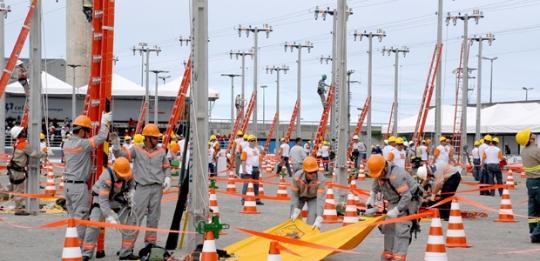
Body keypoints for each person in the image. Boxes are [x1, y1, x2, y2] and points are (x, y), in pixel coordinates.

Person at [112, 124, 171, 259]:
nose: (158, 140)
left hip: (157, 189)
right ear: (148, 138)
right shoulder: (136, 150)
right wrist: (116, 145)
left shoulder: (161, 151)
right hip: (142, 188)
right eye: (155, 138)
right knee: (135, 218)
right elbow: (121, 156)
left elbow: (166, 167)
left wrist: (167, 177)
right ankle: (126, 250)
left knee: (153, 218)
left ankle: (150, 245)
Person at [364, 154, 422, 261]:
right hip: (394, 200)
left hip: (409, 200)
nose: (378, 176)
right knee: (388, 226)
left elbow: (406, 196)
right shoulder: (380, 173)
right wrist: (372, 196)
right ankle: (388, 252)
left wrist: (397, 210)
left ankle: (399, 255)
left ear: (385, 167)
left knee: (401, 227)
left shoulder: (396, 176)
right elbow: (376, 182)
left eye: (379, 173)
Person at [63, 113, 111, 240]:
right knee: (81, 217)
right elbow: (101, 137)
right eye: (87, 131)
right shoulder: (82, 144)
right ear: (82, 131)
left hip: (67, 186)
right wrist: (105, 122)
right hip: (78, 187)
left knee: (72, 217)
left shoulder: (66, 144)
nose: (89, 133)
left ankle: (70, 245)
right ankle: (76, 247)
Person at [82, 157, 138, 260]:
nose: (124, 177)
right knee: (94, 225)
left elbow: (131, 185)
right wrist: (110, 217)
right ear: (116, 171)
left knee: (130, 223)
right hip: (100, 199)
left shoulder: (128, 173)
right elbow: (103, 201)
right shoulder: (106, 177)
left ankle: (126, 252)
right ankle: (86, 253)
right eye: (122, 175)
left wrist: (131, 193)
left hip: (117, 199)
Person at [6, 126, 41, 215]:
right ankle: (18, 209)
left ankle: (18, 205)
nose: (25, 132)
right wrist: (45, 153)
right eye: (23, 131)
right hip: (18, 170)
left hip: (14, 169)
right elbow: (35, 154)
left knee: (15, 189)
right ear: (20, 134)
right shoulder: (23, 144)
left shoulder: (18, 143)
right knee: (19, 190)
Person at [516, 128, 540, 243]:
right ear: (530, 139)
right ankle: (537, 233)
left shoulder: (524, 151)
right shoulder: (536, 150)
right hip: (538, 181)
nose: (533, 135)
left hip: (530, 182)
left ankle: (533, 231)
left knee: (533, 209)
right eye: (531, 134)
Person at [289, 156, 326, 229]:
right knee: (293, 218)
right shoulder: (297, 177)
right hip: (300, 197)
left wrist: (319, 216)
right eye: (310, 172)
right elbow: (294, 196)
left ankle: (310, 237)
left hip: (313, 197)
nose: (313, 174)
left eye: (315, 171)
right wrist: (295, 209)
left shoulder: (321, 179)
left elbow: (320, 199)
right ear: (305, 171)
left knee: (313, 217)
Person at [240, 135, 263, 205]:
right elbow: (243, 160)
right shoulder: (245, 150)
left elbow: (259, 159)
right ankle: (243, 199)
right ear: (249, 141)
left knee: (256, 185)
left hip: (256, 169)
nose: (254, 142)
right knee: (246, 185)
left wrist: (260, 167)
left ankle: (257, 199)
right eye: (252, 140)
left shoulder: (256, 150)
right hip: (248, 169)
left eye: (254, 140)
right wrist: (244, 170)